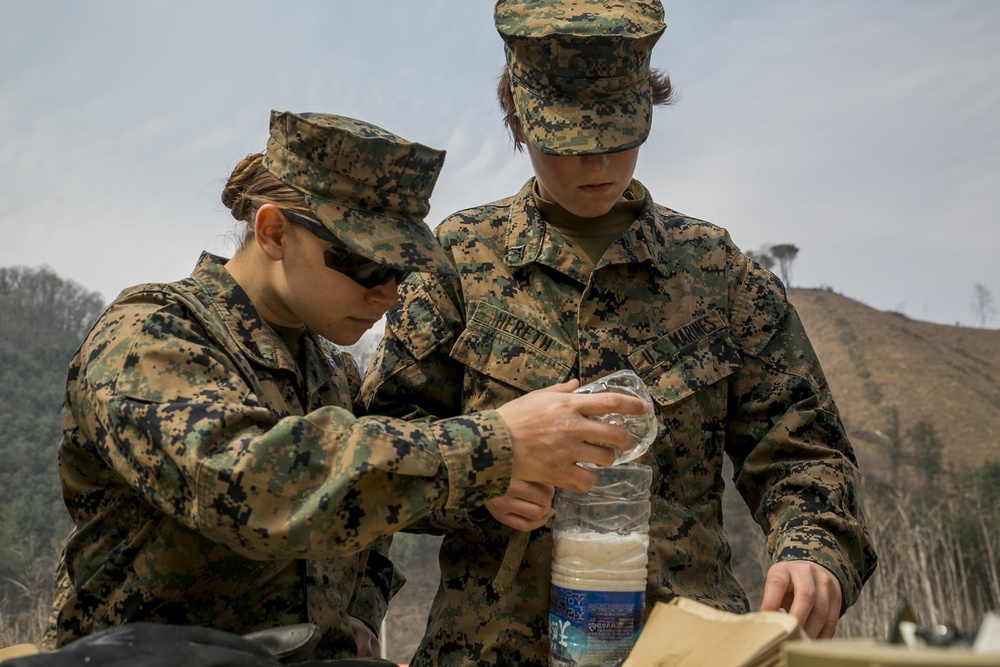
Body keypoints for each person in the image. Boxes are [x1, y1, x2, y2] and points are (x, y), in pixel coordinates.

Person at [359, 1, 879, 664]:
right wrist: (479, 467)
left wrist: (813, 552)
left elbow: (805, 451)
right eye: (570, 140)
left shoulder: (714, 269)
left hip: (681, 649)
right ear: (518, 120)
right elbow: (372, 449)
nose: (597, 162)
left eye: (618, 133)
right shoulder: (459, 258)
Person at [42, 109, 648, 662]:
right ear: (274, 232)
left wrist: (360, 610)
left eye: (400, 272)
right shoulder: (148, 338)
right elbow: (248, 484)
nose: (386, 295)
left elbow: (360, 510)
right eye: (363, 265)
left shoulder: (329, 375)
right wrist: (493, 445)